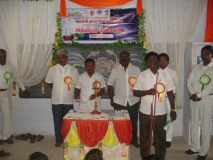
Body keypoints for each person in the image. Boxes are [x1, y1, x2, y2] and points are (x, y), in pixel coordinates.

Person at [133, 52, 176, 160]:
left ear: (157, 62)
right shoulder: (142, 75)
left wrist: (173, 109)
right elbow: (135, 92)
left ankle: (160, 157)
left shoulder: (165, 75)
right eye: (150, 60)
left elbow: (170, 93)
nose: (152, 62)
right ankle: (145, 157)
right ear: (147, 63)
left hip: (161, 112)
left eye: (154, 60)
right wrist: (147, 92)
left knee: (160, 138)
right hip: (145, 112)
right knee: (144, 137)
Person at [45, 49, 79, 147]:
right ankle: (58, 140)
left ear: (67, 58)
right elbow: (48, 81)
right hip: (56, 101)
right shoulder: (52, 69)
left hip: (68, 101)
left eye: (62, 57)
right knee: (57, 121)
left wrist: (76, 94)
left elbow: (77, 84)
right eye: (58, 58)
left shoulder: (73, 70)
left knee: (68, 121)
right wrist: (57, 88)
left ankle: (68, 139)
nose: (60, 59)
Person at [107, 51, 141, 148]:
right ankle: (119, 140)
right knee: (119, 122)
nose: (123, 58)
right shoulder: (115, 70)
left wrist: (140, 98)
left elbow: (141, 84)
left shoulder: (136, 69)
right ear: (119, 58)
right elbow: (109, 84)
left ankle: (134, 140)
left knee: (134, 122)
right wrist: (112, 99)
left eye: (125, 56)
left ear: (129, 58)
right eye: (122, 56)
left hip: (134, 101)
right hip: (119, 101)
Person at [186, 45, 213, 160]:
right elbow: (189, 81)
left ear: (212, 55)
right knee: (194, 123)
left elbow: (211, 86)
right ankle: (194, 147)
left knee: (205, 125)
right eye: (202, 53)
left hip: (206, 99)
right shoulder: (197, 67)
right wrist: (193, 93)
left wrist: (199, 95)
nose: (204, 56)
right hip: (194, 99)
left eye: (207, 53)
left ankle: (203, 151)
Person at [0, 49, 30, 145]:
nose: (2, 58)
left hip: (5, 93)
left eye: (3, 56)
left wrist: (23, 89)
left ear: (6, 56)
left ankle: (5, 136)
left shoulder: (10, 65)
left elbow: (17, 77)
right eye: (0, 56)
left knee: (7, 116)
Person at [158, 53, 179, 148]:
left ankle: (168, 139)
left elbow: (176, 85)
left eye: (164, 60)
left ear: (168, 62)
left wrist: (169, 93)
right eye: (161, 60)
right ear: (158, 62)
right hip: (159, 99)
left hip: (169, 99)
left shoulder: (173, 72)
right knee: (159, 119)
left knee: (170, 119)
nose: (162, 62)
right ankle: (159, 138)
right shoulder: (156, 72)